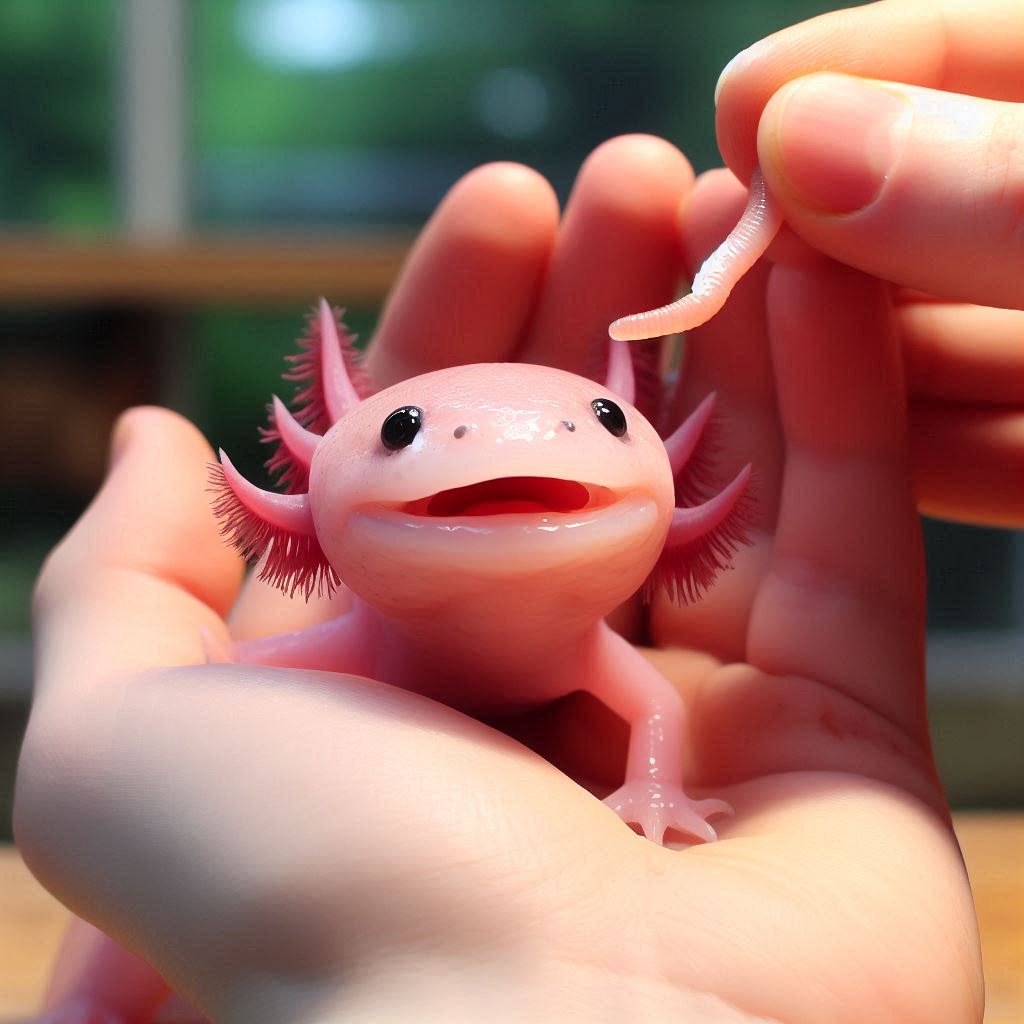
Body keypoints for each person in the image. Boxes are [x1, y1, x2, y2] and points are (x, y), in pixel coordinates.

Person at [16, 0, 1021, 1019]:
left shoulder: (582, 654)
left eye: (601, 418)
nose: (499, 462)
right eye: (401, 434)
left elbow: (658, 719)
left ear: (673, 485)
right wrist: (186, 707)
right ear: (300, 491)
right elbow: (218, 712)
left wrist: (655, 793)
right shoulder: (309, 664)